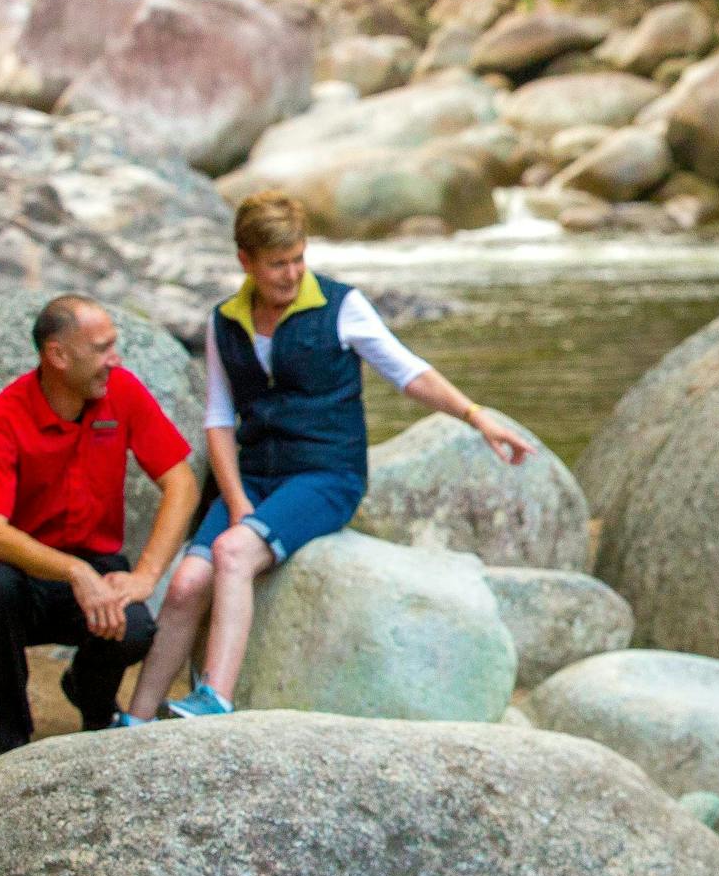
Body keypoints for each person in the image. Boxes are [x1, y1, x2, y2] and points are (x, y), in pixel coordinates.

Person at [124, 191, 537, 722]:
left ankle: (215, 700)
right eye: (278, 264)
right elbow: (220, 418)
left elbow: (408, 372)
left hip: (325, 474)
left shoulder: (342, 307)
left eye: (298, 258)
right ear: (245, 263)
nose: (292, 273)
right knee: (184, 583)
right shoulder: (223, 322)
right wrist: (234, 497)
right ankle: (134, 719)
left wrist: (475, 415)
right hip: (253, 477)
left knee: (233, 554)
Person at [0, 294, 200, 756]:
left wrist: (146, 576)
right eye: (101, 348)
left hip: (99, 564)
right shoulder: (0, 419)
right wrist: (74, 572)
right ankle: (12, 721)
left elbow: (182, 485)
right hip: (26, 574)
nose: (114, 359)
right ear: (58, 355)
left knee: (134, 628)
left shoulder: (123, 392)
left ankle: (93, 701)